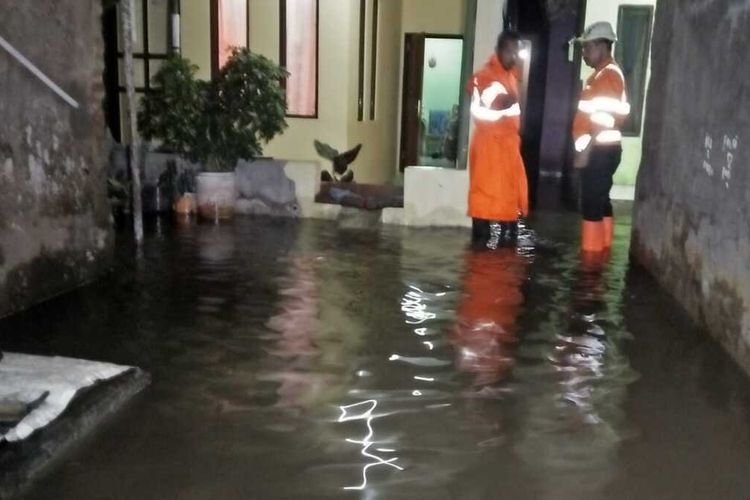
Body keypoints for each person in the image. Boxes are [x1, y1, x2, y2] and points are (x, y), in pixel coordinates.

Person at [571, 22, 630, 255]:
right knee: (601, 200)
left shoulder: (607, 76)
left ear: (601, 46)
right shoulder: (602, 75)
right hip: (604, 149)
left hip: (599, 151)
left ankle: (590, 263)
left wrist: (584, 152)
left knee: (591, 205)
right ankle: (602, 254)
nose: (584, 54)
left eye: (586, 48)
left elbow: (604, 118)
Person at [467, 31, 529, 250]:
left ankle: (502, 276)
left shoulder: (510, 76)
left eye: (516, 51)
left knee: (508, 218)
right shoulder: (486, 76)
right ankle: (481, 274)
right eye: (511, 50)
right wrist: (511, 97)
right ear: (500, 50)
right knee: (483, 213)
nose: (514, 56)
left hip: (506, 153)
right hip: (490, 152)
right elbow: (495, 101)